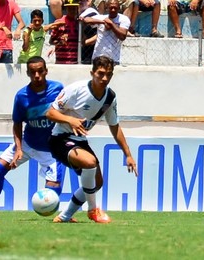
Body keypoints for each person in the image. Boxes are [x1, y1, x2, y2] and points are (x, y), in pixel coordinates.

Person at [46, 55, 138, 223]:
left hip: (80, 141)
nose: (104, 78)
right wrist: (70, 120)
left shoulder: (110, 98)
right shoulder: (75, 89)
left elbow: (114, 126)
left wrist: (128, 154)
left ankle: (65, 216)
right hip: (60, 138)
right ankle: (93, 210)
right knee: (90, 163)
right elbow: (49, 113)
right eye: (100, 74)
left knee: (97, 182)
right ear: (92, 73)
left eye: (109, 74)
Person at [0, 56, 66, 221]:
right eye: (33, 72)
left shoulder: (58, 89)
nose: (37, 75)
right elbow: (17, 124)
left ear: (46, 71)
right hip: (28, 143)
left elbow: (68, 111)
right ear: (27, 73)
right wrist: (19, 149)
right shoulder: (21, 96)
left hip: (51, 151)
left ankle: (65, 215)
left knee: (50, 198)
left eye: (40, 71)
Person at [83, 0, 130, 65]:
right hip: (98, 56)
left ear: (119, 8)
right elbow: (86, 19)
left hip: (113, 58)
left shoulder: (123, 19)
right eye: (111, 8)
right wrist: (102, 22)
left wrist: (112, 24)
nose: (113, 10)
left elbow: (122, 36)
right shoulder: (102, 17)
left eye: (115, 8)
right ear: (107, 8)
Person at [49, 0, 79, 64]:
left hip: (75, 61)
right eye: (70, 9)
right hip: (61, 60)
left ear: (77, 9)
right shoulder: (59, 22)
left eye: (74, 8)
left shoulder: (79, 23)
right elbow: (51, 41)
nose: (72, 11)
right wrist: (60, 42)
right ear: (66, 9)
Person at [79, 0, 100, 64]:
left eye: (83, 0)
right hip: (84, 50)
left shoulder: (91, 12)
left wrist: (85, 42)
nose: (80, 2)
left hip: (93, 50)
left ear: (89, 2)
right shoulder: (80, 13)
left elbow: (100, 34)